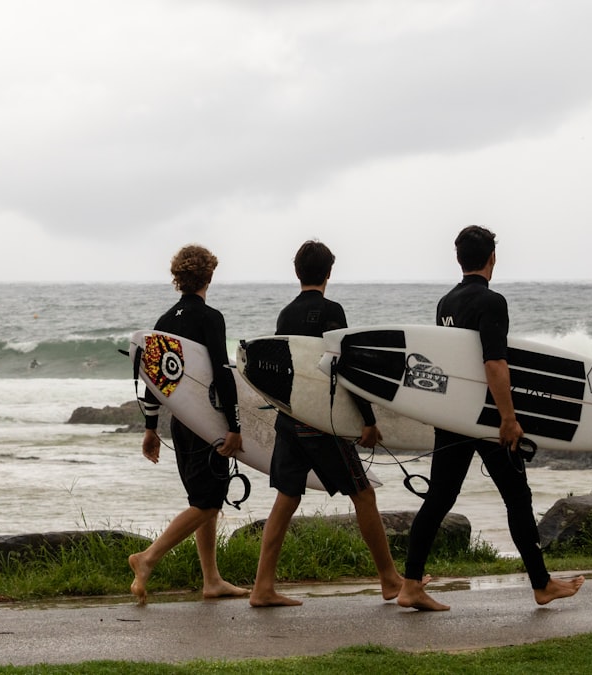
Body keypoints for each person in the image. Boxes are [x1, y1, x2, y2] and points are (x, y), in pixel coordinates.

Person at [396, 225, 585, 611]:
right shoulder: (492, 302)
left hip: (454, 417)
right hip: (486, 419)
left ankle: (411, 584)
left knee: (439, 498)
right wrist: (509, 418)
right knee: (518, 497)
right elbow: (494, 363)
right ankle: (541, 584)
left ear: (459, 258)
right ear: (492, 258)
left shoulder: (445, 303)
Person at [249, 240, 407, 607]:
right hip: (322, 424)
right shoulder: (333, 310)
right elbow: (346, 366)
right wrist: (368, 421)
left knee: (285, 500)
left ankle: (262, 587)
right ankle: (389, 579)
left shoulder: (285, 315)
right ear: (330, 272)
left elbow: (281, 370)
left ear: (297, 272)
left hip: (291, 419)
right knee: (363, 495)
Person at [128, 244, 249, 605]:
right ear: (209, 276)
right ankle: (147, 559)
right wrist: (235, 425)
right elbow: (222, 374)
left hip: (181, 423)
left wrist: (151, 428)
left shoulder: (164, 322)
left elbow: (155, 381)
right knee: (208, 503)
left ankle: (211, 579)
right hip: (207, 423)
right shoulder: (211, 318)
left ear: (177, 278)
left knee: (203, 499)